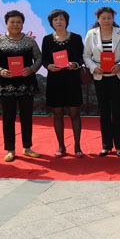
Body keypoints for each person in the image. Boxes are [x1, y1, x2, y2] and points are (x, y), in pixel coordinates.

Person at [0, 10, 42, 162]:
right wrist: (0, 71)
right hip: (6, 85)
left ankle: (27, 147)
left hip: (26, 84)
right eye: (12, 22)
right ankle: (10, 150)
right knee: (8, 118)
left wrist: (32, 69)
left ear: (23, 24)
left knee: (27, 117)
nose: (15, 25)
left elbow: (39, 58)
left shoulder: (30, 40)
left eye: (18, 22)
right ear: (6, 24)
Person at [83, 7, 120, 157]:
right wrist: (93, 68)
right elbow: (86, 55)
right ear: (98, 19)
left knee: (117, 112)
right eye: (103, 18)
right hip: (100, 78)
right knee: (104, 112)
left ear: (113, 19)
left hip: (118, 77)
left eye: (109, 18)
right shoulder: (91, 34)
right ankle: (106, 145)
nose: (106, 21)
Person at [41, 9, 85, 158]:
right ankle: (61, 146)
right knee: (57, 114)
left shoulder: (76, 38)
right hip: (55, 80)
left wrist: (75, 64)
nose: (58, 22)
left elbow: (81, 57)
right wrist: (48, 66)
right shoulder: (47, 39)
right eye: (55, 20)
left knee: (74, 113)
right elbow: (44, 59)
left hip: (72, 80)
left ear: (66, 21)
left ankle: (77, 146)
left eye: (61, 19)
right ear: (51, 23)